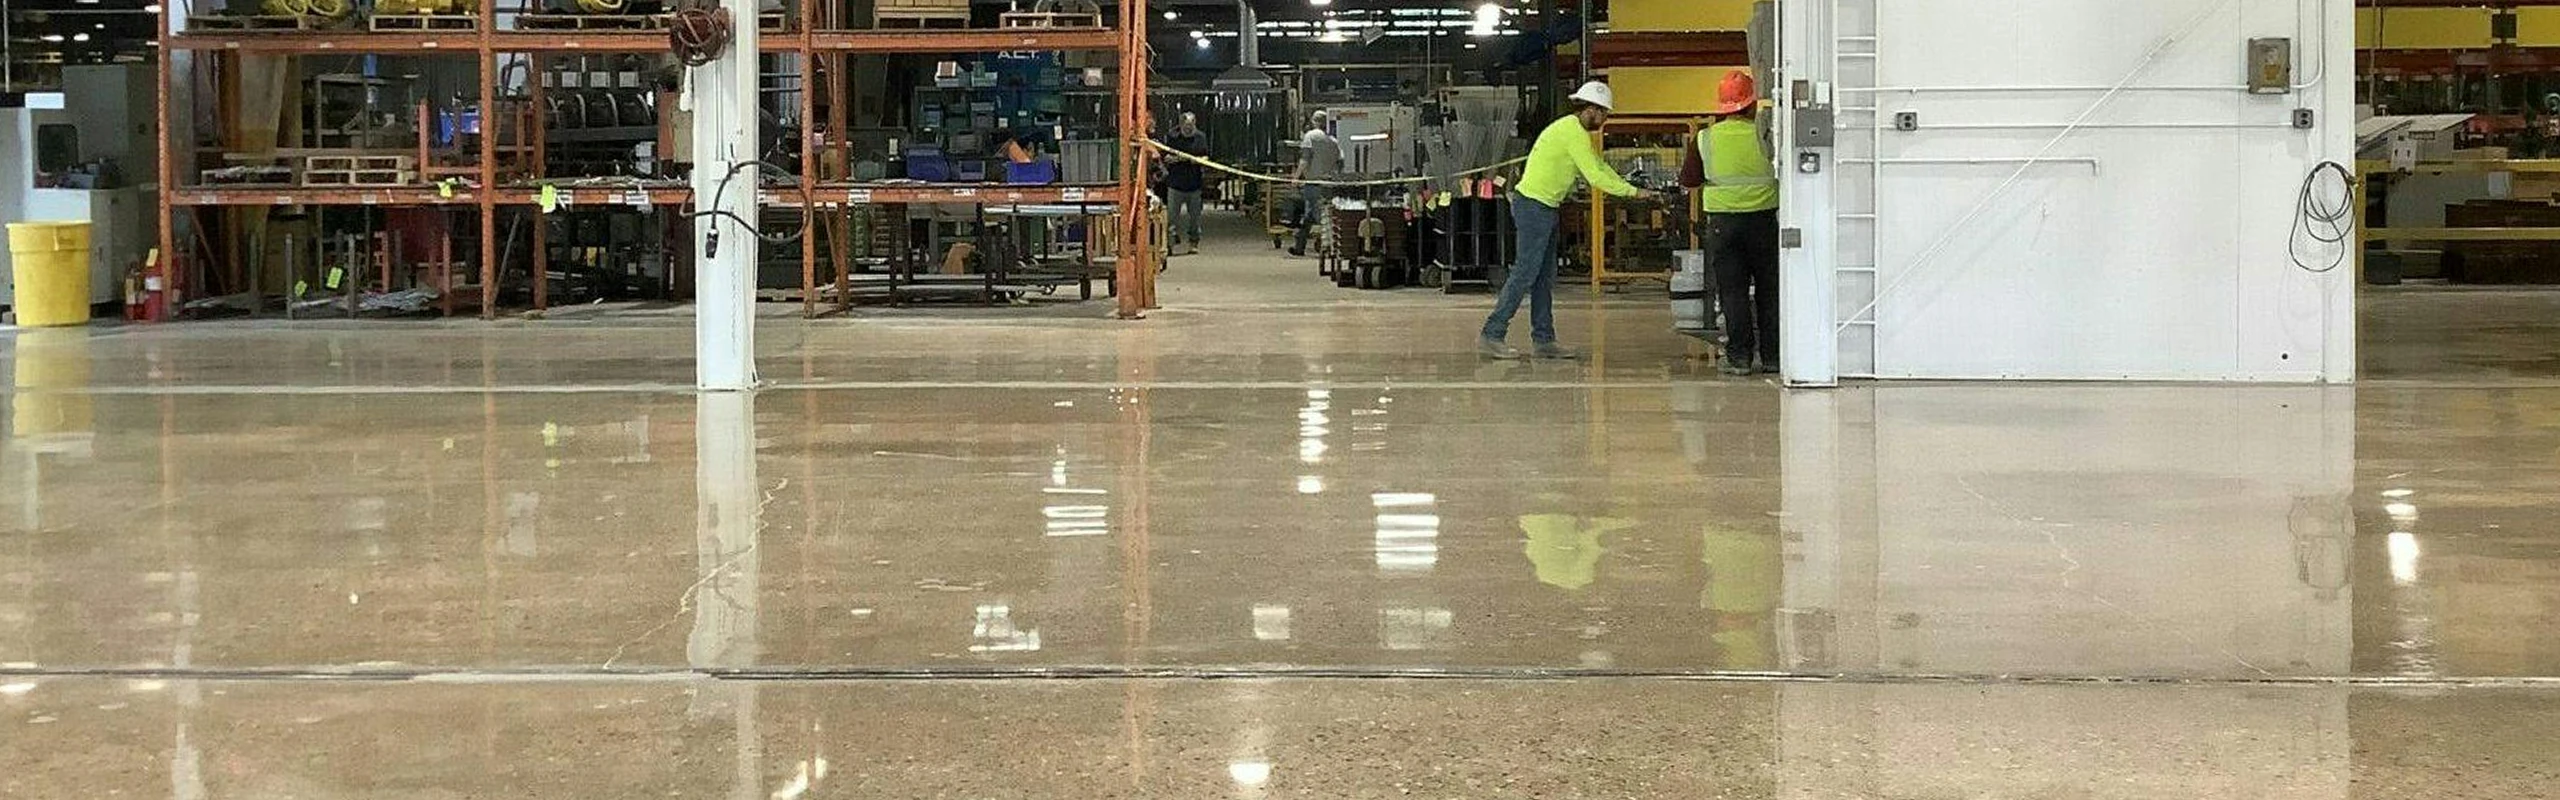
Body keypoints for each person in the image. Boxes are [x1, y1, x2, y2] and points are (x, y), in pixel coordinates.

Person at [1480, 81, 1644, 360]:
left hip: (1544, 207)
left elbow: (1600, 166)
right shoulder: (1573, 133)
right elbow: (1595, 176)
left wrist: (1630, 187)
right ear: (1591, 109)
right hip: (1534, 207)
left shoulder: (1572, 130)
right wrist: (1634, 193)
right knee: (1525, 273)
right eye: (1604, 113)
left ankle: (1544, 340)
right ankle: (1492, 334)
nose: (1605, 119)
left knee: (1544, 277)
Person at [1681, 71, 1782, 376]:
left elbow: (1689, 180)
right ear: (1752, 105)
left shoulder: (1705, 139)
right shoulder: (1769, 136)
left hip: (1723, 225)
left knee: (1733, 291)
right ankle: (1773, 357)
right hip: (1764, 221)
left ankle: (1739, 358)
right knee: (1770, 291)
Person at [1290, 111, 1341, 257]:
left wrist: (1296, 177)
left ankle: (1329, 247)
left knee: (1319, 216)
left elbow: (1304, 160)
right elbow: (1339, 163)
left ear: (1314, 121)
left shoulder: (1310, 137)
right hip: (1329, 184)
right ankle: (1299, 247)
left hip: (1313, 184)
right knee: (1310, 216)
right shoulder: (1333, 141)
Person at [1161, 112, 1211, 255]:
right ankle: (1170, 244)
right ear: (1181, 125)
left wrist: (1199, 160)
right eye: (1186, 127)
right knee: (1172, 218)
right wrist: (1174, 159)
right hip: (1175, 183)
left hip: (1194, 184)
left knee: (1195, 218)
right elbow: (1165, 156)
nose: (1188, 129)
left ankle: (1194, 243)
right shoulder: (1173, 137)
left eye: (1191, 127)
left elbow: (1206, 156)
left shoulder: (1200, 137)